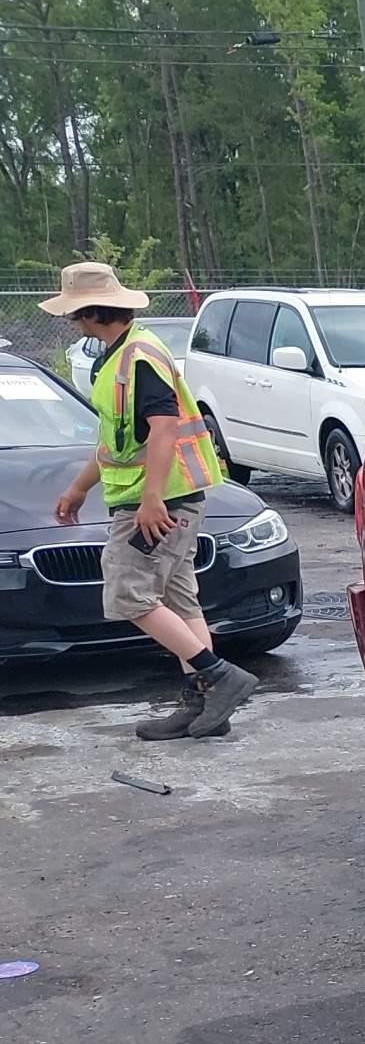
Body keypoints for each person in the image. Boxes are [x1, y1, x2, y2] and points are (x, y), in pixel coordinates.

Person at [43, 261, 257, 740]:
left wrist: (153, 499)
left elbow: (164, 430)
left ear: (91, 313)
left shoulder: (136, 357)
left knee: (128, 594)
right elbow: (118, 440)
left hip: (158, 503)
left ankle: (219, 677)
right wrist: (80, 488)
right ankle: (205, 704)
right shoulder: (119, 358)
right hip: (166, 498)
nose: (73, 324)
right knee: (180, 601)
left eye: (75, 316)